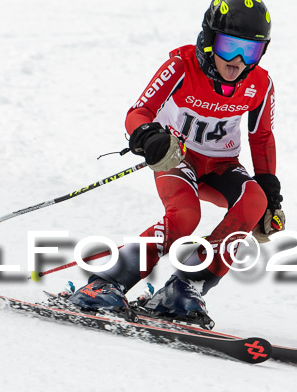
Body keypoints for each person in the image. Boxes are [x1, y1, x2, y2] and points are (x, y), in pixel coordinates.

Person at [68, 0, 285, 327]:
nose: (238, 61)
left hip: (221, 165)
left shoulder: (260, 85)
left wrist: (269, 189)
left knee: (253, 199)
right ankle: (106, 282)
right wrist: (149, 136)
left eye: (250, 52)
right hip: (176, 156)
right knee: (185, 217)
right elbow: (138, 113)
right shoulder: (181, 67)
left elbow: (261, 137)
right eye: (229, 47)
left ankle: (185, 287)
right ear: (210, 39)